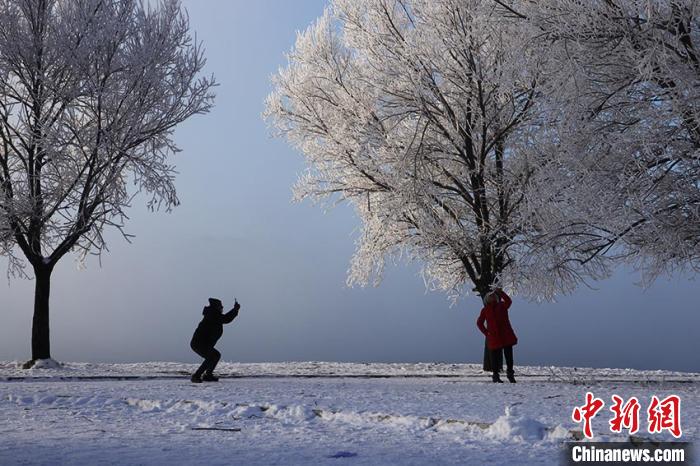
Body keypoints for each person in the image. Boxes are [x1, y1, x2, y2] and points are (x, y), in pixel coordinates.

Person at [190, 297, 240, 383]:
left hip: (202, 344)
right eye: (220, 306)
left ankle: (208, 375)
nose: (222, 307)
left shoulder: (213, 314)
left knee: (215, 355)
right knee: (212, 356)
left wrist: (235, 310)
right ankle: (196, 376)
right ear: (216, 307)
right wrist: (235, 310)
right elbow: (226, 319)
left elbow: (225, 319)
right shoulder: (213, 315)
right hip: (198, 343)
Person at [476, 288, 517, 383]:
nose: (492, 297)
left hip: (506, 334)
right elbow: (479, 323)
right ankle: (495, 376)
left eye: (494, 295)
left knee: (509, 357)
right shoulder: (485, 310)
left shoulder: (502, 306)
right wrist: (487, 333)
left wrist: (500, 292)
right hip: (494, 337)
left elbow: (509, 301)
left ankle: (510, 374)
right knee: (495, 357)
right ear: (486, 299)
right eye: (490, 296)